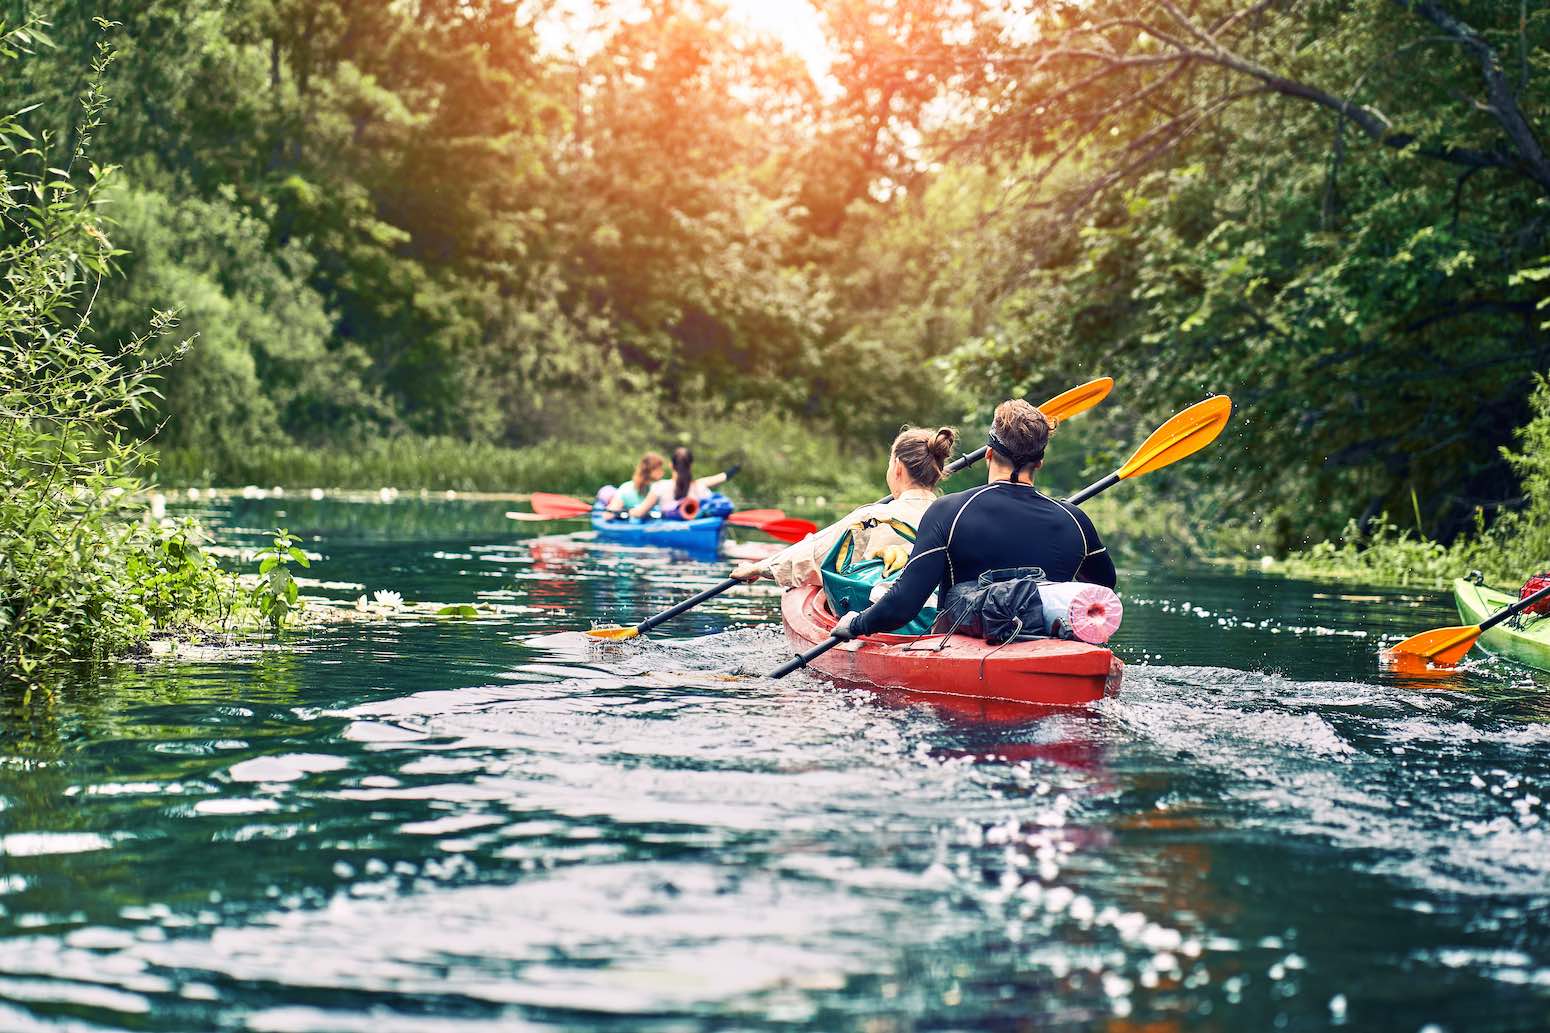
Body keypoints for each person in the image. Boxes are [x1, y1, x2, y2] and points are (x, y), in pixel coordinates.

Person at [830, 399, 1116, 640]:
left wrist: (856, 624)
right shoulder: (1075, 520)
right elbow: (1104, 585)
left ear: (989, 454)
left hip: (963, 647)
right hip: (1050, 644)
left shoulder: (949, 512)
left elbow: (903, 605)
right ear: (1039, 462)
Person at [731, 426, 958, 588]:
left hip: (882, 618)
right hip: (940, 620)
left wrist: (761, 568)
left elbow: (816, 555)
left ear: (897, 467)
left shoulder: (874, 517)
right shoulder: (957, 516)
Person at [629, 447, 739, 519]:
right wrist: (736, 468)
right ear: (690, 465)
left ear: (671, 465)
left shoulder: (659, 487)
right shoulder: (701, 487)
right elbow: (722, 477)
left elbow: (639, 513)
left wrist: (631, 512)